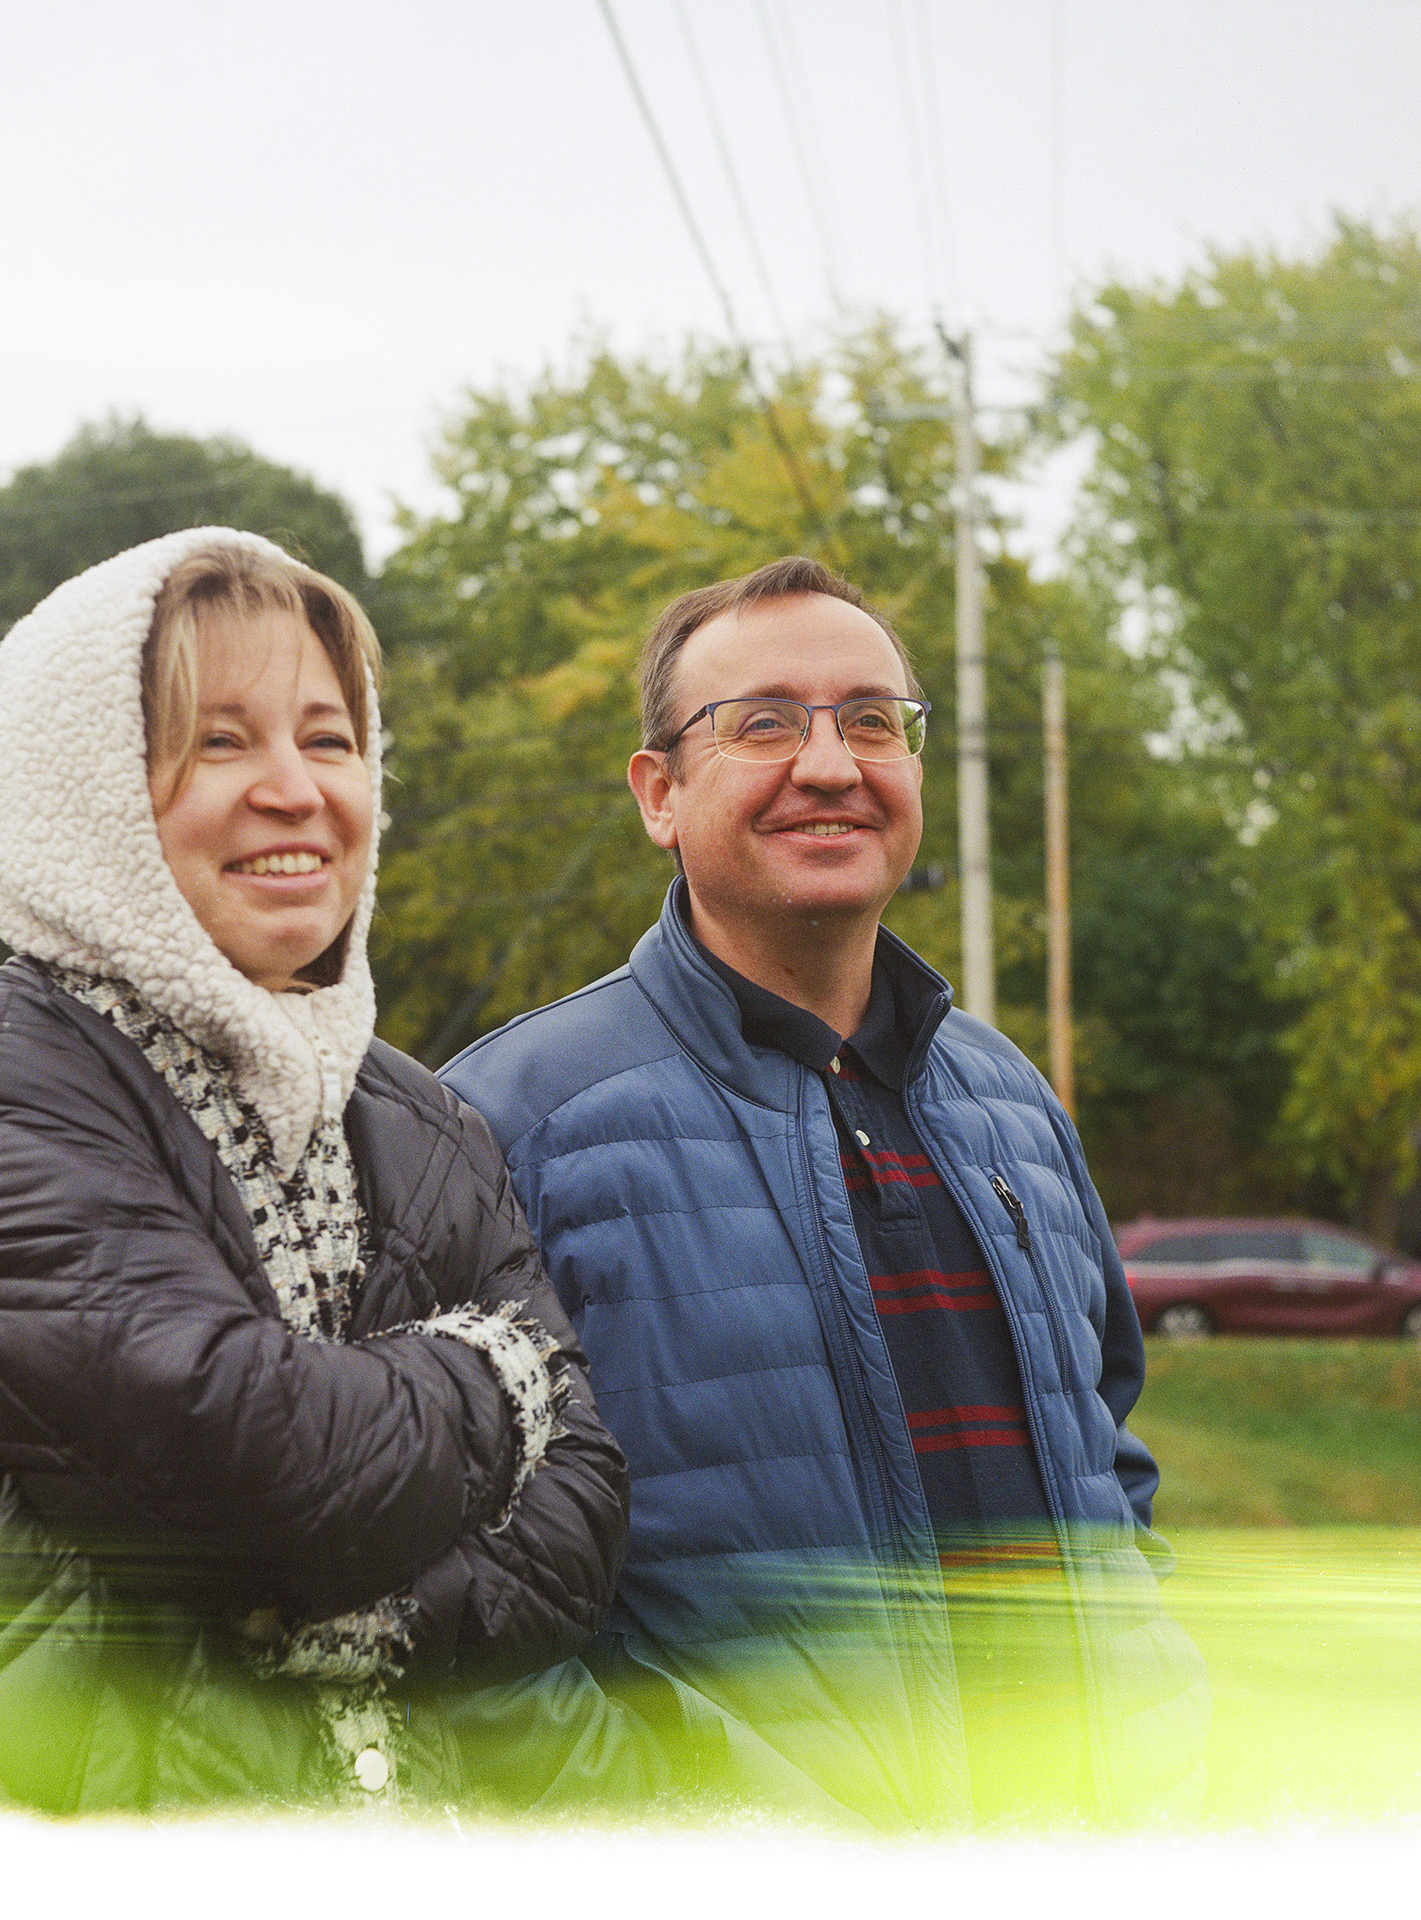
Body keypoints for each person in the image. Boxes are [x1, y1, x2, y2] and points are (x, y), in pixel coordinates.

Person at [0, 529, 652, 1814]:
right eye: (221, 740)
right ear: (87, 798)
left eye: (330, 737)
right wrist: (505, 1373)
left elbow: (584, 1510)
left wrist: (350, 1604)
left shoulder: (425, 1120)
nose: (297, 789)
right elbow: (257, 1465)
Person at [442, 556, 1210, 1828]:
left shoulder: (1009, 1099)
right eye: (763, 725)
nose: (831, 764)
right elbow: (447, 1573)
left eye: (871, 721)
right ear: (659, 794)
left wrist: (1163, 1727)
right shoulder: (509, 1123)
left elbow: (1109, 1460)